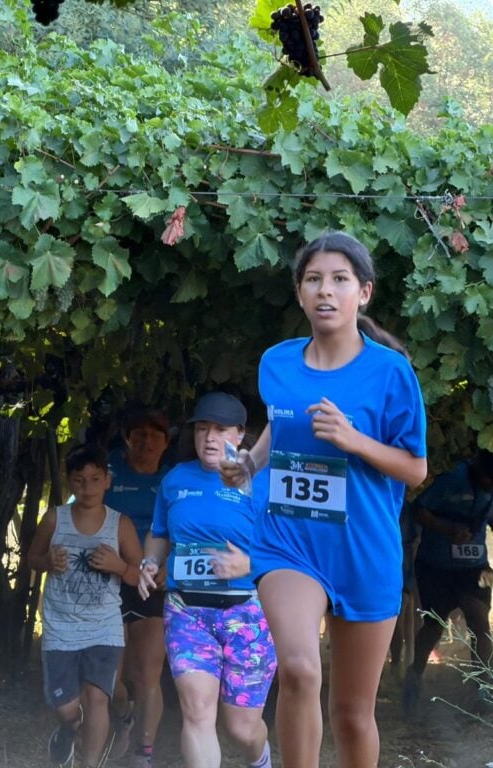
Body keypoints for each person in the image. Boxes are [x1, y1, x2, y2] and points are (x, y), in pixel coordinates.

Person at [220, 231, 427, 768]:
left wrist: (354, 438)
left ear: (365, 293)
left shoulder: (391, 373)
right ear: (299, 291)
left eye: (340, 280)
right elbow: (278, 425)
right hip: (291, 543)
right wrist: (248, 463)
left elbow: (416, 469)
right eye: (314, 279)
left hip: (363, 551)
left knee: (353, 714)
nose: (325, 291)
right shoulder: (277, 363)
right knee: (299, 669)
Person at [138, 392, 275, 768]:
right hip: (187, 611)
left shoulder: (260, 483)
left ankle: (260, 759)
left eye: (219, 430)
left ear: (240, 435)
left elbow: (289, 551)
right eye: (202, 429)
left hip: (247, 613)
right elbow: (159, 531)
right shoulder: (175, 479)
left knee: (241, 729)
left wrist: (248, 563)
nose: (209, 438)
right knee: (197, 714)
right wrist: (150, 560)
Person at [27, 444, 145, 768]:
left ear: (107, 481)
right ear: (69, 483)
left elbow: (139, 576)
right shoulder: (55, 519)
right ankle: (69, 729)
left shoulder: (120, 525)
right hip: (60, 625)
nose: (87, 487)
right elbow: (31, 558)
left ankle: (89, 763)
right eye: (79, 480)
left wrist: (119, 566)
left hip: (104, 626)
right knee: (67, 709)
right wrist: (47, 561)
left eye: (95, 479)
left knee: (97, 698)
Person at [103, 408, 171, 767]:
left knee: (147, 673)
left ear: (167, 442)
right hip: (109, 580)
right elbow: (79, 508)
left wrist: (168, 564)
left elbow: (186, 527)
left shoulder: (173, 481)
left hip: (154, 585)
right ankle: (122, 715)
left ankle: (143, 753)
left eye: (154, 435)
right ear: (127, 439)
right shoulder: (109, 472)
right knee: (112, 676)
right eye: (139, 434)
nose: (146, 441)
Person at [403, 450, 493, 713]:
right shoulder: (451, 479)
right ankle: (414, 677)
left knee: (479, 622)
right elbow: (419, 510)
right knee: (433, 624)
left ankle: (482, 687)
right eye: (487, 481)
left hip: (474, 568)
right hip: (436, 566)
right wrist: (447, 530)